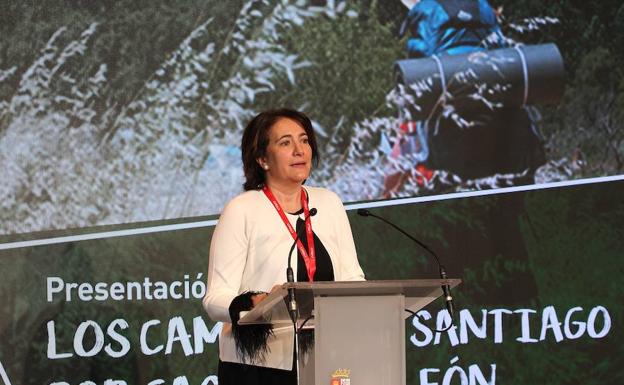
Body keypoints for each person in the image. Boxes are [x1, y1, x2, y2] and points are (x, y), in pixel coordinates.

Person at [203, 108, 365, 385]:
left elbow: (353, 279)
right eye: (285, 143)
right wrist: (257, 302)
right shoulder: (242, 209)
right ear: (262, 158)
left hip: (326, 356)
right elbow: (214, 299)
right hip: (259, 364)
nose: (300, 150)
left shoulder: (328, 203)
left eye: (304, 141)